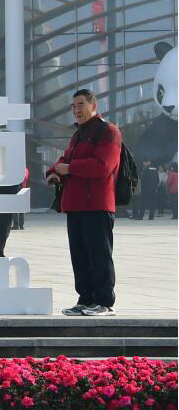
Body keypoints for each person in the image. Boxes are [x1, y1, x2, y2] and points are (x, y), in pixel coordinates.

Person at [48, 89, 121, 316]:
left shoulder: (108, 131)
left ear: (94, 105)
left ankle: (104, 302)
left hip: (97, 205)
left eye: (81, 105)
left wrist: (70, 169)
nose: (76, 110)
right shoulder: (78, 134)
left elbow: (103, 166)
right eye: (73, 106)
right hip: (75, 205)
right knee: (79, 257)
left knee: (99, 255)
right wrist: (54, 172)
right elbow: (65, 159)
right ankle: (86, 299)